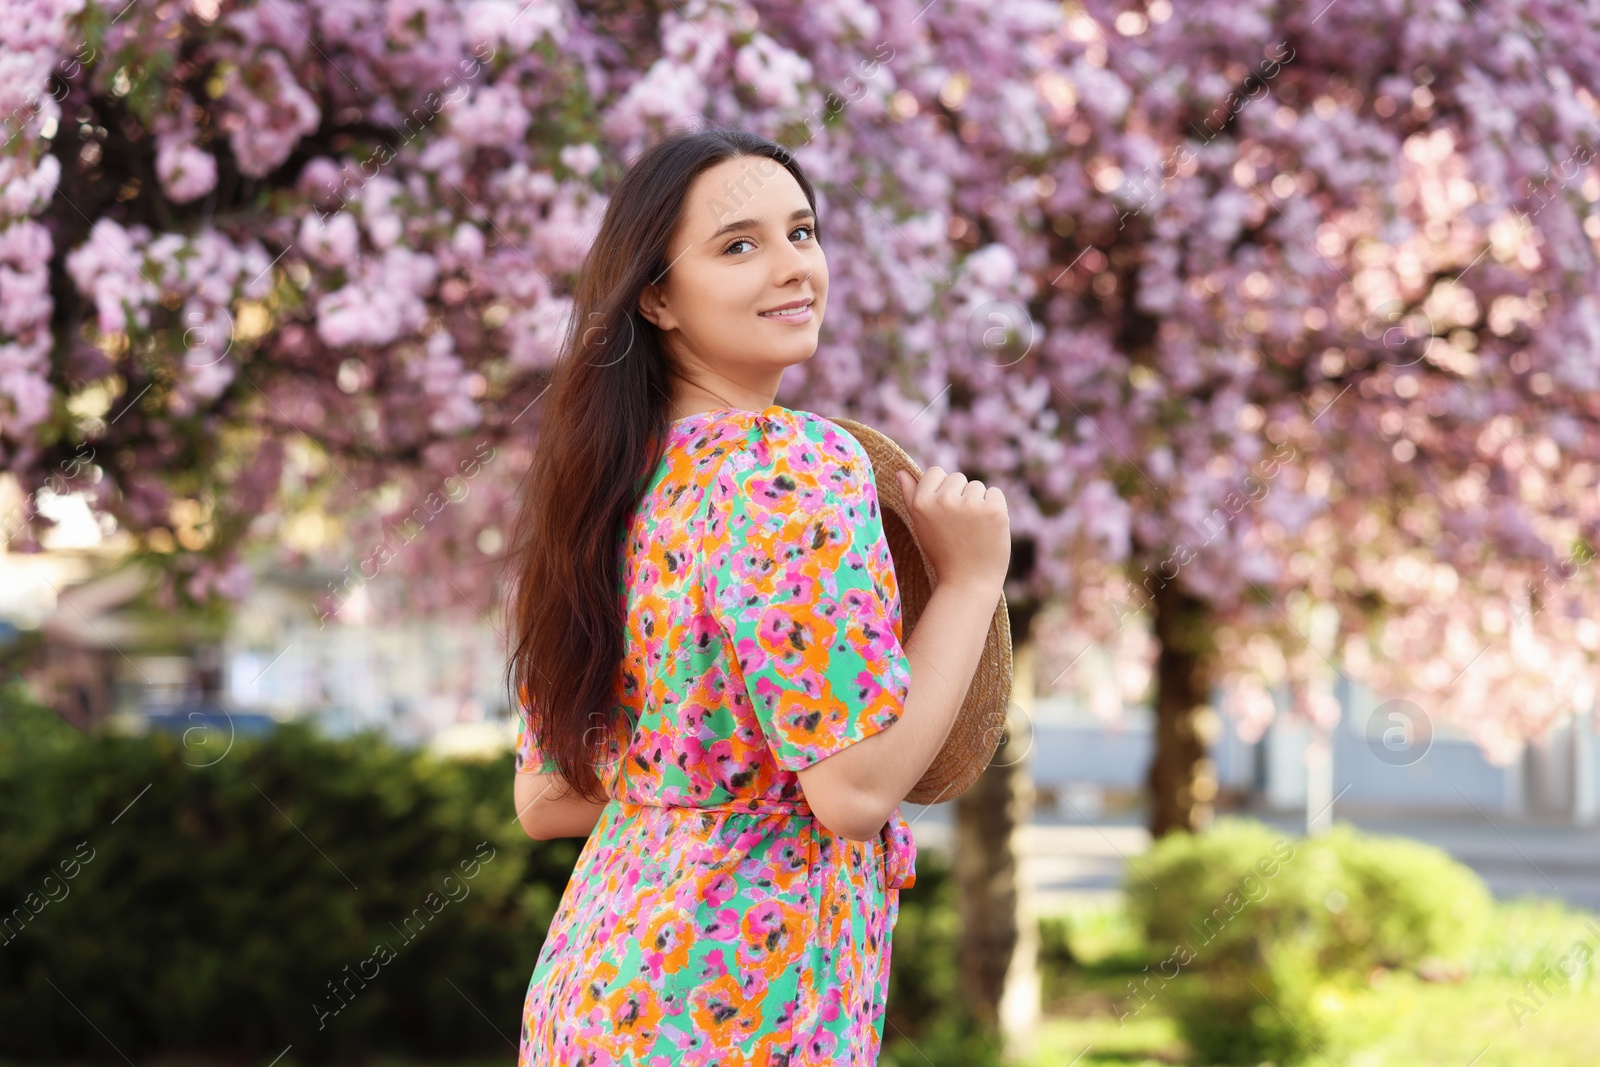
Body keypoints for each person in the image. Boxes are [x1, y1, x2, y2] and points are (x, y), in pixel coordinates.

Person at [503, 125, 1009, 1065]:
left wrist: (715, 774)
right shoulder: (794, 462)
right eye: (740, 245)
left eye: (803, 232)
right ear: (656, 297)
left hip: (594, 995)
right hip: (741, 1014)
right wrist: (971, 580)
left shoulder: (602, 484)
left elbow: (549, 797)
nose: (794, 268)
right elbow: (855, 789)